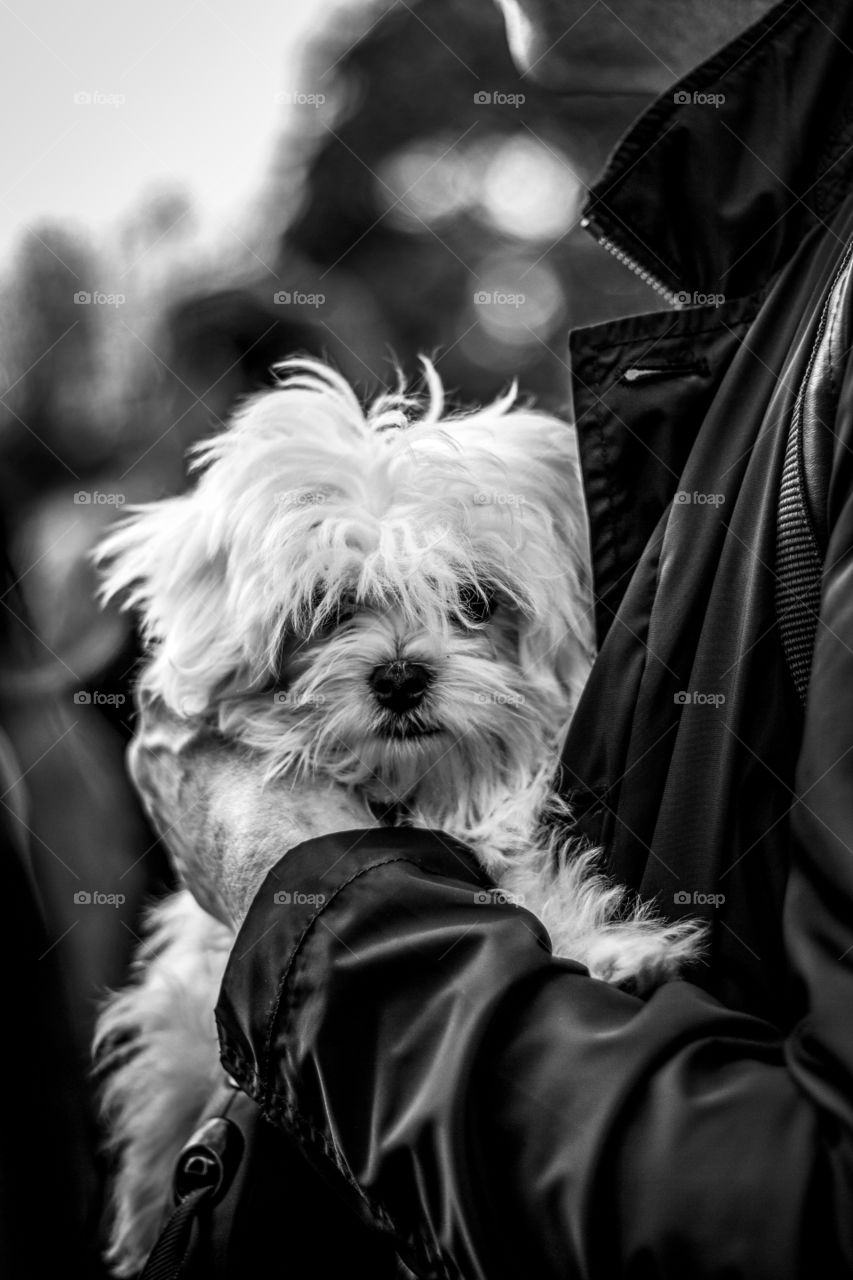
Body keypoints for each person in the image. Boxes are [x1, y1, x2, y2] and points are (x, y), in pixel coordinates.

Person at [129, 0, 853, 1275]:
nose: (404, 657)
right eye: (330, 620)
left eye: (471, 610)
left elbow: (809, 1212)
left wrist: (301, 908)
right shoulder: (764, 303)